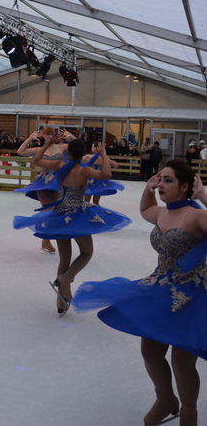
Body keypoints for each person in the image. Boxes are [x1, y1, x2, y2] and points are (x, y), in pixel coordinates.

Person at [72, 160, 207, 426]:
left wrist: (202, 195)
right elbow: (146, 209)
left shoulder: (196, 215)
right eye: (160, 179)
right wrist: (147, 189)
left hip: (191, 294)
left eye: (167, 180)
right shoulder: (162, 213)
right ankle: (166, 400)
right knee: (151, 351)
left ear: (183, 186)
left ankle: (189, 413)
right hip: (160, 287)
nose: (161, 185)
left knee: (182, 361)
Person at [13, 136, 131, 315]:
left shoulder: (59, 166)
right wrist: (104, 155)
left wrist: (46, 143)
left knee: (64, 260)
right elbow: (106, 174)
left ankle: (61, 302)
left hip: (60, 215)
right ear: (83, 153)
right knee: (86, 252)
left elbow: (36, 160)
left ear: (68, 153)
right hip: (78, 214)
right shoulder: (84, 171)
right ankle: (66, 278)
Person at [15, 127, 75, 253]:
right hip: (44, 183)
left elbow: (80, 150)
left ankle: (45, 240)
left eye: (52, 134)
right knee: (48, 211)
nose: (50, 137)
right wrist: (30, 138)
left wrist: (72, 138)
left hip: (60, 182)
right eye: (48, 135)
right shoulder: (39, 150)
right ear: (43, 136)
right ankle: (46, 239)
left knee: (58, 211)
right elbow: (20, 151)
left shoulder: (63, 147)